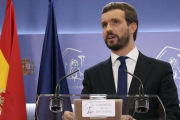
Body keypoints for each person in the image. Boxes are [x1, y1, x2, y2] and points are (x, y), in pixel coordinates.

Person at [63, 2, 180, 120]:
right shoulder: (92, 75)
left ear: (132, 27)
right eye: (104, 25)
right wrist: (74, 116)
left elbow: (173, 115)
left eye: (115, 22)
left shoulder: (160, 70)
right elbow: (86, 115)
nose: (108, 29)